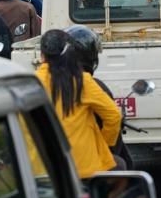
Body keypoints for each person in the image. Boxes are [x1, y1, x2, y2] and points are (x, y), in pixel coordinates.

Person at [36, 29, 121, 178]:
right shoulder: (82, 80)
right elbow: (114, 116)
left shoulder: (31, 82)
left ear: (42, 55)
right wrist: (105, 145)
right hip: (85, 170)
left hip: (42, 172)